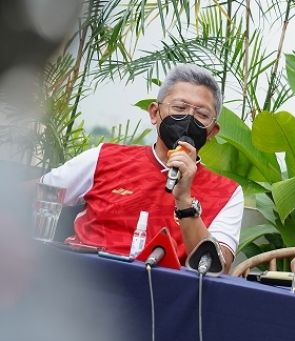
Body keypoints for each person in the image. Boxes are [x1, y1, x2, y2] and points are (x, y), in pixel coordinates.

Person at [41, 64, 243, 271]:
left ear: (212, 132)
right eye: (179, 108)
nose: (188, 119)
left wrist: (184, 201)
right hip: (81, 283)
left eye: (201, 114)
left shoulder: (227, 192)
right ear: (155, 113)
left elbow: (218, 267)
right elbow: (36, 195)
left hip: (162, 297)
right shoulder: (105, 158)